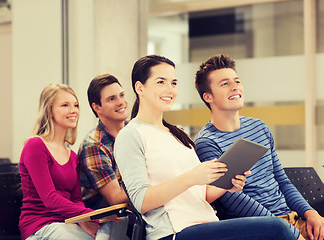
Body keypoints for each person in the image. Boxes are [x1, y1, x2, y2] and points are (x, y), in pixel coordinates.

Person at [113, 55, 297, 240]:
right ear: (140, 88)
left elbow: (201, 195)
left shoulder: (176, 135)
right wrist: (192, 177)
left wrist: (227, 185)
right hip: (175, 232)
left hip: (206, 223)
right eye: (161, 82)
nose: (170, 90)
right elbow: (141, 201)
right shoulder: (131, 135)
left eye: (174, 83)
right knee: (275, 228)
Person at [194, 54, 324, 240]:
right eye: (224, 84)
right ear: (208, 96)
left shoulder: (258, 127)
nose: (235, 86)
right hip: (260, 228)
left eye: (237, 81)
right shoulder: (206, 142)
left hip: (293, 219)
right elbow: (230, 199)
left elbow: (281, 180)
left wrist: (311, 214)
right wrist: (281, 228)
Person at [18, 84, 122, 240]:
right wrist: (88, 215)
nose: (73, 110)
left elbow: (76, 200)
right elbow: (50, 199)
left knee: (117, 231)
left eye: (76, 105)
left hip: (67, 223)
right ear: (49, 111)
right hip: (40, 227)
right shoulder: (35, 145)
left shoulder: (72, 156)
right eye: (65, 105)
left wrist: (83, 221)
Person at [78, 74, 128, 210]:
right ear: (97, 107)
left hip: (143, 212)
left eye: (122, 95)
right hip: (110, 221)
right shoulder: (93, 146)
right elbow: (116, 199)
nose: (121, 102)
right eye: (112, 99)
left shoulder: (137, 132)